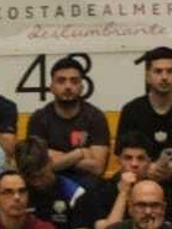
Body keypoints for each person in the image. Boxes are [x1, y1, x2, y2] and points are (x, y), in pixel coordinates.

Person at [118, 48, 172, 188]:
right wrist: (146, 167)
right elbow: (123, 156)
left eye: (170, 71)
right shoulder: (131, 110)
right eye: (158, 71)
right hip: (140, 179)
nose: (164, 77)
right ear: (147, 75)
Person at [26, 58, 110, 187]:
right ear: (51, 87)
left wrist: (56, 158)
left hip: (87, 187)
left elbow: (97, 168)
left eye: (74, 81)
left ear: (81, 87)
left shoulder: (95, 117)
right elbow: (37, 167)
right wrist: (79, 153)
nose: (68, 86)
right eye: (61, 81)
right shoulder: (39, 118)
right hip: (49, 185)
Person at [12, 140, 88, 229]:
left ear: (50, 162)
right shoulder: (18, 194)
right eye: (31, 178)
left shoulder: (73, 193)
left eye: (41, 175)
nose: (37, 182)